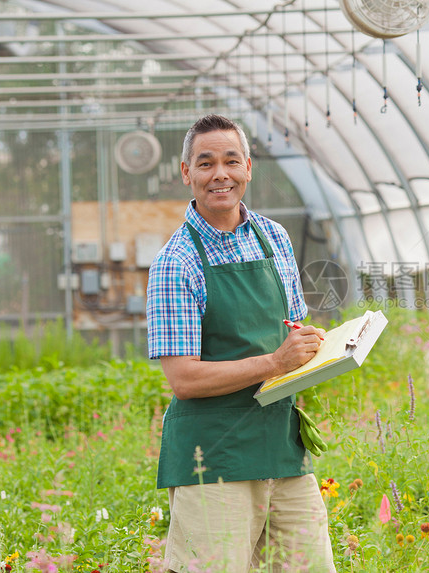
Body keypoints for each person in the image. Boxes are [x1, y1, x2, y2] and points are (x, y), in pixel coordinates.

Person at [146, 114, 334, 572]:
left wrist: (323, 349)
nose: (220, 175)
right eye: (206, 163)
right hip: (213, 457)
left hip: (281, 448)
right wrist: (274, 361)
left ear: (248, 167)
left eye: (231, 161)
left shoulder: (274, 238)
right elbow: (184, 379)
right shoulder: (177, 262)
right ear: (186, 173)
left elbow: (293, 329)